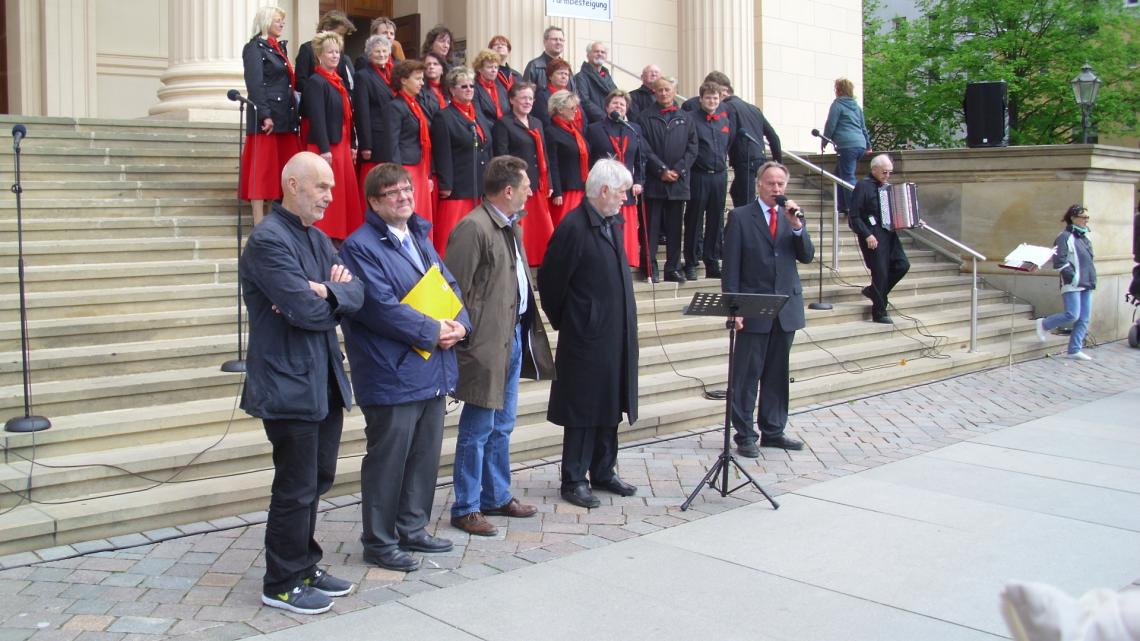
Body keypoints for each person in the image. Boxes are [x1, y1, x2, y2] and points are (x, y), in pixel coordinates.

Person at [239, 151, 363, 615]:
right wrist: (326, 295)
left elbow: (358, 291)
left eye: (330, 187)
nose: (331, 196)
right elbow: (304, 311)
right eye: (322, 187)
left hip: (323, 379)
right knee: (294, 485)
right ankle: (282, 580)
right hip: (287, 383)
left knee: (318, 478)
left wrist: (327, 290)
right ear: (292, 185)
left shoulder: (315, 238)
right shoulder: (268, 241)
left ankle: (305, 564)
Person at [339, 163, 471, 573]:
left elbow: (450, 286)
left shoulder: (419, 237)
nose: (403, 197)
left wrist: (461, 324)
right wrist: (434, 330)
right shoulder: (359, 247)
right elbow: (380, 308)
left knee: (424, 456)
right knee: (388, 460)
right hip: (391, 370)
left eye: (407, 189)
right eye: (392, 192)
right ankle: (378, 541)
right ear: (374, 202)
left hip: (431, 367)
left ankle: (412, 528)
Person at [443, 156, 555, 536]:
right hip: (484, 346)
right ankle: (467, 505)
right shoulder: (473, 228)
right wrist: (467, 340)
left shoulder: (510, 227)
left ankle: (496, 494)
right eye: (525, 186)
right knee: (477, 429)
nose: (529, 192)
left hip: (511, 340)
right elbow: (452, 290)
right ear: (508, 191)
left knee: (501, 425)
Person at [538, 159, 639, 509]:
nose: (626, 198)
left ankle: (603, 469)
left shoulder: (611, 222)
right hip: (586, 334)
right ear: (605, 190)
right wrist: (573, 319)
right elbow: (551, 282)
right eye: (622, 191)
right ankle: (574, 477)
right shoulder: (575, 226)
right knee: (582, 407)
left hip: (615, 332)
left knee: (610, 402)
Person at [722, 161, 814, 457]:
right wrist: (733, 308)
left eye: (781, 184)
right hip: (753, 306)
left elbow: (807, 256)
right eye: (771, 183)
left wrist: (798, 226)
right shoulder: (739, 217)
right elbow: (731, 267)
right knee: (747, 374)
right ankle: (745, 433)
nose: (777, 189)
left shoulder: (791, 216)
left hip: (786, 307)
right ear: (759, 184)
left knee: (777, 373)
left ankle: (773, 430)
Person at [240, 6, 301, 226]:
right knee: (262, 171)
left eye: (283, 21)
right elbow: (255, 84)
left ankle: (275, 220)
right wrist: (264, 114)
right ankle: (258, 221)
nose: (282, 24)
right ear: (266, 21)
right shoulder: (255, 48)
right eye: (278, 20)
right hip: (268, 118)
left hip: (285, 116)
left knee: (281, 170)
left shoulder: (279, 48)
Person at [300, 31, 363, 241]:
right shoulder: (316, 82)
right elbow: (317, 119)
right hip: (326, 146)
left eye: (337, 52)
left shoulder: (339, 82)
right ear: (320, 55)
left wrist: (353, 142)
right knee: (327, 191)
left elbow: (348, 117)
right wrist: (325, 149)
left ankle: (342, 234)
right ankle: (326, 234)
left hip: (342, 144)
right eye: (330, 52)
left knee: (342, 194)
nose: (335, 56)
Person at [492, 82, 560, 266]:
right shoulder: (504, 123)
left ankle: (543, 264)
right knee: (523, 228)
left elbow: (544, 154)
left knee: (542, 228)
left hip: (538, 184)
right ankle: (522, 263)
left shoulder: (537, 122)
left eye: (530, 98)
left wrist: (550, 183)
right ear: (512, 100)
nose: (528, 102)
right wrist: (511, 180)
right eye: (523, 98)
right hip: (517, 185)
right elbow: (502, 156)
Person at [638, 76, 697, 283]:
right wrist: (661, 169)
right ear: (654, 92)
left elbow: (692, 148)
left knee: (674, 228)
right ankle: (649, 267)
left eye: (667, 90)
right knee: (651, 228)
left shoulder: (686, 118)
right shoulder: (644, 117)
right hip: (655, 180)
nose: (664, 93)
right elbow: (643, 146)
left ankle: (673, 268)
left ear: (674, 92)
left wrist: (678, 170)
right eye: (660, 90)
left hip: (678, 182)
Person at [430, 66, 494, 257]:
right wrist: (446, 185)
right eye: (463, 86)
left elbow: (487, 146)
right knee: (453, 235)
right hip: (458, 187)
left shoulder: (477, 114)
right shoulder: (444, 116)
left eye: (471, 86)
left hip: (480, 185)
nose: (469, 89)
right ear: (452, 89)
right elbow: (443, 153)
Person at [586, 89, 645, 270]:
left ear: (626, 109)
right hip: (605, 187)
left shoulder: (634, 129)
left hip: (625, 187)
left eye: (622, 104)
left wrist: (639, 181)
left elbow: (640, 159)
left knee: (625, 228)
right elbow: (589, 158)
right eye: (614, 103)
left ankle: (625, 262)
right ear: (606, 107)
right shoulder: (594, 129)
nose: (618, 106)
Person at [848, 154, 909, 324]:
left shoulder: (887, 187)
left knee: (902, 264)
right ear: (874, 169)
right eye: (884, 172)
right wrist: (867, 234)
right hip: (872, 233)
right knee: (880, 272)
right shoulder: (863, 186)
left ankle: (874, 292)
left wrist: (910, 220)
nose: (887, 176)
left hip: (889, 232)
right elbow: (854, 216)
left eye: (890, 172)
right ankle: (879, 311)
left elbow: (894, 210)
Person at [707, 73, 782, 209]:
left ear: (723, 92)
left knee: (746, 199)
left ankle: (747, 227)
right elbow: (773, 136)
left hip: (744, 159)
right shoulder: (753, 109)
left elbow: (730, 134)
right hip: (759, 157)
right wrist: (778, 162)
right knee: (736, 191)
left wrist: (720, 157)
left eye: (715, 93)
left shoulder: (727, 107)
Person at [684, 81, 734, 281]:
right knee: (694, 220)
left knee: (716, 220)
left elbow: (727, 144)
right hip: (699, 175)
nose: (712, 101)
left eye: (715, 98)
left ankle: (712, 261)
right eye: (708, 97)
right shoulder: (691, 118)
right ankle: (691, 262)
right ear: (701, 99)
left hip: (719, 175)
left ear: (720, 99)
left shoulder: (724, 120)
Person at [1034, 204, 1097, 360]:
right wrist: (1072, 276)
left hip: (1086, 281)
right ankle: (1044, 324)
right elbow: (1059, 261)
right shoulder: (1064, 236)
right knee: (1072, 314)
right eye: (1083, 217)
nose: (1086, 221)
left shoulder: (1085, 236)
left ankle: (1074, 349)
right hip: (1073, 282)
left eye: (1087, 217)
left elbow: (1089, 259)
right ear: (1073, 218)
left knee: (1084, 318)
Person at [387, 60, 436, 239]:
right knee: (410, 210)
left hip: (420, 165)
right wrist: (398, 175)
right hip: (407, 167)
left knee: (420, 210)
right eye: (418, 79)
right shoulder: (395, 106)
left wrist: (429, 173)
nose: (422, 83)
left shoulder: (416, 105)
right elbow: (392, 142)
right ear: (404, 81)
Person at [823, 77, 872, 215]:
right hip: (860, 145)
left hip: (847, 145)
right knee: (838, 175)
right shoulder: (856, 107)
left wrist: (825, 140)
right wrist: (868, 145)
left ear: (839, 90)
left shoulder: (837, 105)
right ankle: (843, 206)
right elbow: (863, 127)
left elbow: (831, 124)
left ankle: (854, 207)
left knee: (848, 176)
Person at [353, 35, 396, 190]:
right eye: (377, 51)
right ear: (369, 54)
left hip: (392, 135)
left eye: (385, 51)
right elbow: (362, 112)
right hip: (375, 139)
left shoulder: (394, 75)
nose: (382, 54)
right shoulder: (363, 76)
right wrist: (366, 145)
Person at [545, 90, 590, 227]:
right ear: (559, 109)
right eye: (572, 108)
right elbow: (552, 164)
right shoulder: (551, 131)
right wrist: (557, 192)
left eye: (576, 108)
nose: (575, 111)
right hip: (565, 191)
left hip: (581, 187)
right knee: (566, 227)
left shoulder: (575, 130)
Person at [294, 10, 355, 97]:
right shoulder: (307, 49)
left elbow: (346, 82)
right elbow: (300, 81)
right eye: (339, 34)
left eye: (343, 35)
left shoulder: (339, 53)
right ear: (326, 29)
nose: (341, 38)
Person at [532, 58, 583, 125]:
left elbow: (583, 117)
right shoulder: (542, 96)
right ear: (550, 76)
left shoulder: (572, 95)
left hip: (578, 132)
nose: (564, 76)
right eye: (560, 73)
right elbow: (545, 120)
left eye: (566, 74)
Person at [573, 41, 611, 122]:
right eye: (596, 51)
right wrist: (605, 117)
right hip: (593, 124)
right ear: (588, 55)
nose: (600, 54)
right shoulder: (580, 77)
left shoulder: (607, 76)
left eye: (603, 52)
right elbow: (584, 102)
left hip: (609, 122)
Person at [524, 26, 572, 90]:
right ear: (545, 42)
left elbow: (573, 93)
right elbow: (526, 94)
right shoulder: (534, 66)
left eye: (561, 40)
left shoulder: (567, 68)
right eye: (555, 39)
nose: (558, 42)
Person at [472, 48, 510, 123]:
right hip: (488, 130)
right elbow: (479, 117)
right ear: (480, 69)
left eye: (496, 67)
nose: (494, 70)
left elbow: (508, 110)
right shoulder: (473, 88)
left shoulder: (501, 85)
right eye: (489, 67)